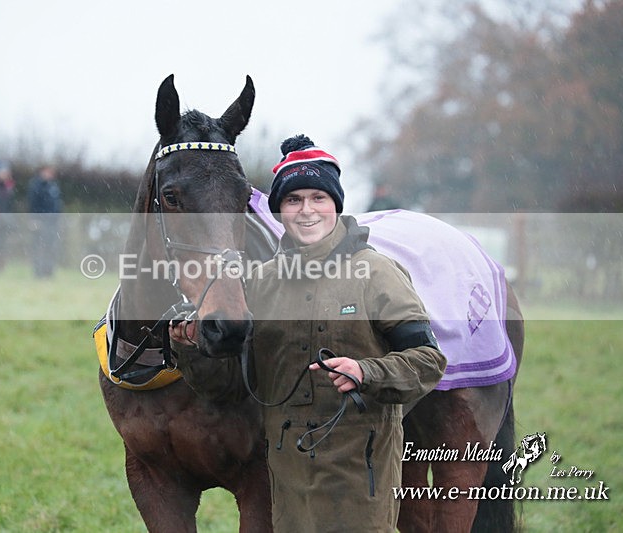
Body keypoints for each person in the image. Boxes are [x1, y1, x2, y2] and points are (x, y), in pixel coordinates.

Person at [169, 135, 447, 532]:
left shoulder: (378, 273)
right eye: (293, 199)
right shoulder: (259, 283)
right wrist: (192, 349)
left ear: (336, 204)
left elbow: (428, 361)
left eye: (318, 197)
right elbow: (229, 387)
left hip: (361, 475)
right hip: (288, 483)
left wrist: (367, 372)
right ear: (279, 211)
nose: (306, 210)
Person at [27, 165, 63, 278]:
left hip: (52, 222)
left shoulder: (53, 186)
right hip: (41, 221)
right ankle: (38, 272)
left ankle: (48, 271)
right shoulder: (36, 186)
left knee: (50, 247)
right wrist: (34, 220)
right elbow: (33, 204)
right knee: (39, 247)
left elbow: (56, 205)